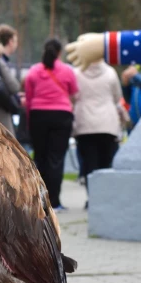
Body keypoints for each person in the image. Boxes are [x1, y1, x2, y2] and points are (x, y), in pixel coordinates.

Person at [25, 38, 79, 212]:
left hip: (38, 116)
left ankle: (39, 200)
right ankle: (54, 202)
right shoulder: (67, 71)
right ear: (60, 53)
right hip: (61, 116)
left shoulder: (33, 72)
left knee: (40, 158)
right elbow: (74, 95)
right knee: (56, 160)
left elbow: (28, 98)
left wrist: (29, 119)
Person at [73, 60, 124, 209]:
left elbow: (74, 95)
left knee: (89, 164)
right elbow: (117, 96)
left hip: (85, 124)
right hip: (107, 123)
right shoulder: (110, 73)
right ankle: (105, 197)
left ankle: (92, 197)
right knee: (106, 163)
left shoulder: (77, 73)